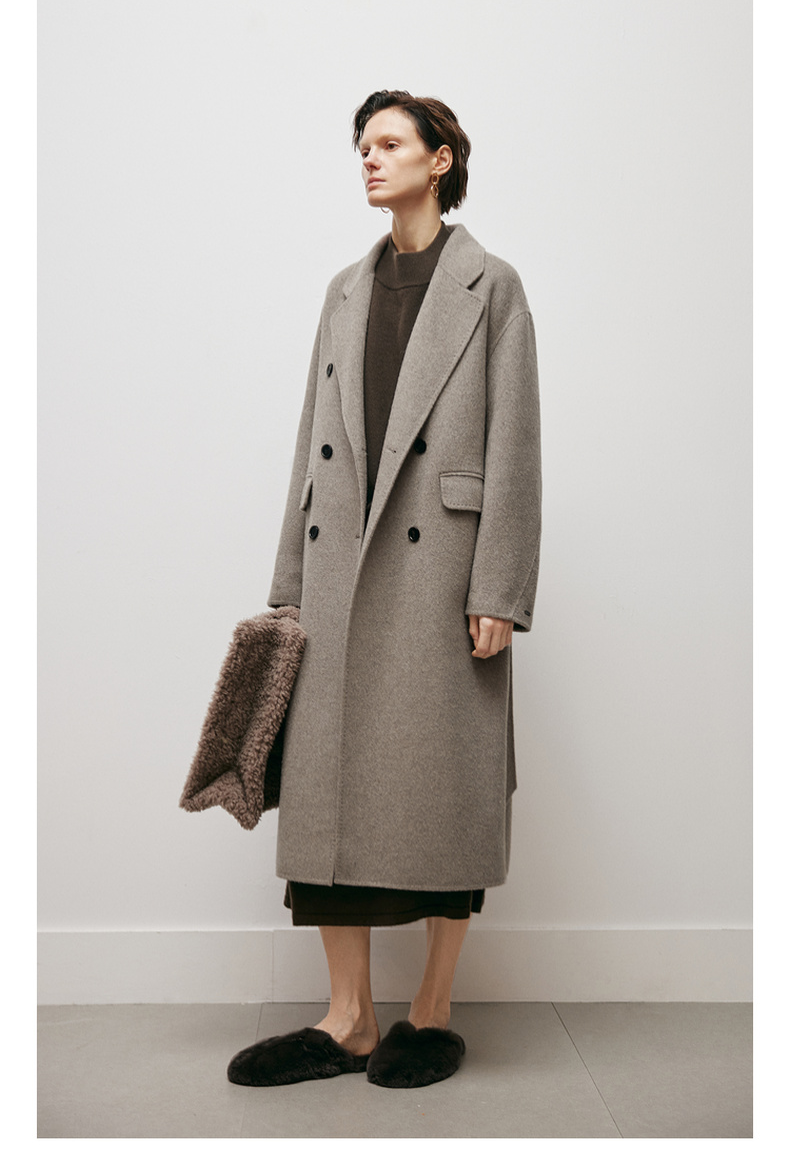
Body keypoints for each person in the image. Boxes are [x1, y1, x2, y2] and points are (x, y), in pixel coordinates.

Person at [228, 90, 542, 1090]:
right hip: (337, 569)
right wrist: (288, 587)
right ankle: (348, 1018)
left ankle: (432, 1010)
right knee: (324, 789)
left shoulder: (490, 286)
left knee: (445, 782)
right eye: (361, 146)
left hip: (443, 573)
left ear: (440, 159)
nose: (368, 158)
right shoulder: (342, 290)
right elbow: (311, 446)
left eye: (390, 143)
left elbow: (515, 444)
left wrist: (499, 587)